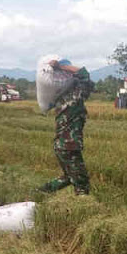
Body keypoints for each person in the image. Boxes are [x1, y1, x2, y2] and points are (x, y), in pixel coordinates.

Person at [38, 59, 94, 196]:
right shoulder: (75, 97)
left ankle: (41, 191)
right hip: (70, 145)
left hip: (60, 146)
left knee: (69, 177)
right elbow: (84, 74)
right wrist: (60, 66)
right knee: (82, 182)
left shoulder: (60, 99)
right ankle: (84, 206)